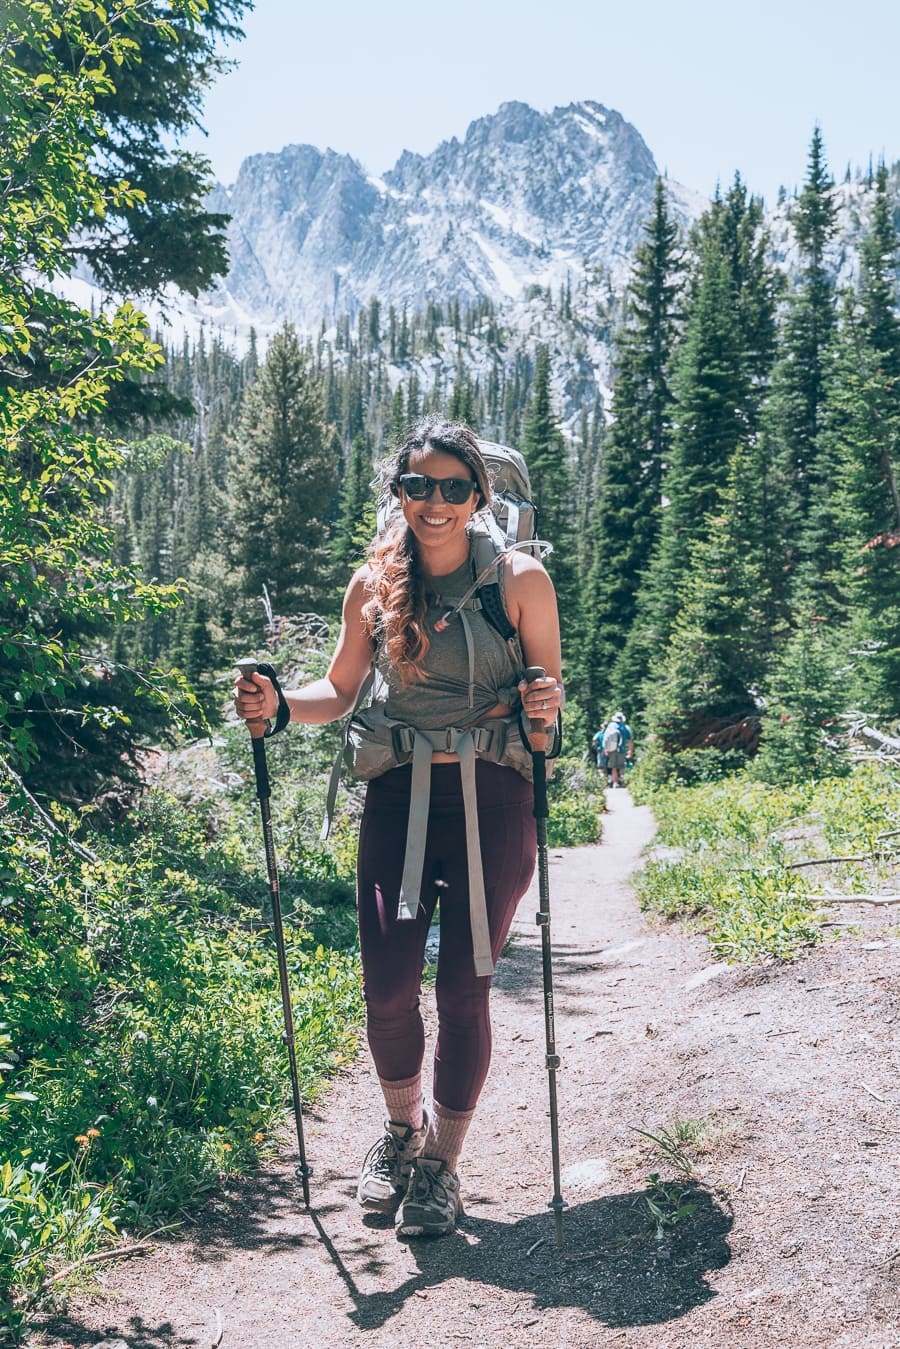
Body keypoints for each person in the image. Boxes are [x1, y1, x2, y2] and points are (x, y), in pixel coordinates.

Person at [233, 418, 563, 1239]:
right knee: (386, 982)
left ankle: (442, 1165)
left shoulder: (520, 581)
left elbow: (546, 717)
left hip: (493, 800)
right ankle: (398, 1132)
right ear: (400, 494)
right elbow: (339, 691)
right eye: (420, 486)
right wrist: (278, 708)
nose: (437, 502)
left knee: (463, 987)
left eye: (455, 487)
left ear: (480, 496)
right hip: (397, 799)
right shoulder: (372, 588)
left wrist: (545, 710)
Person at [601, 711, 634, 788]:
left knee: (614, 766)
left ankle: (615, 783)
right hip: (621, 749)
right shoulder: (625, 728)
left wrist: (605, 749)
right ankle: (622, 781)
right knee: (621, 766)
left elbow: (605, 738)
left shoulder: (610, 726)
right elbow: (630, 741)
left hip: (611, 749)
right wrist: (630, 751)